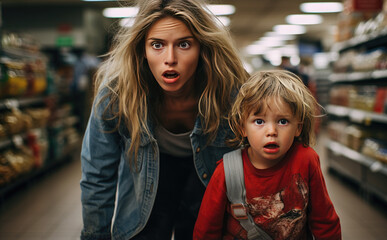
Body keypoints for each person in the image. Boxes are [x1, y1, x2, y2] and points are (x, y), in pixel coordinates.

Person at [79, 0, 249, 239]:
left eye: (184, 44)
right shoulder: (117, 96)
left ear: (202, 48)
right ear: (142, 49)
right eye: (157, 45)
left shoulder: (231, 93)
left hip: (208, 185)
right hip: (145, 192)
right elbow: (97, 176)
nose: (170, 58)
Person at [193, 70, 341, 240]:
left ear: (298, 128)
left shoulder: (306, 160)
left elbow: (324, 221)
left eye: (283, 121)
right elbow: (206, 230)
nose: (271, 131)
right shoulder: (227, 171)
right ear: (243, 128)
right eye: (259, 121)